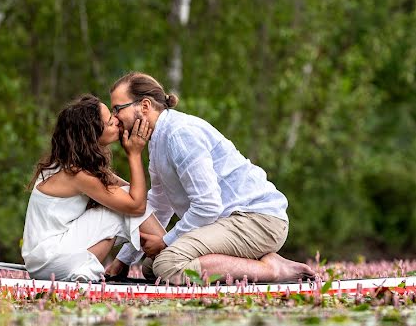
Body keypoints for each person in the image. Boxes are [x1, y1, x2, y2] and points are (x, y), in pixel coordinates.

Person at [104, 72, 315, 284]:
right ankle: (258, 261)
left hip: (257, 220)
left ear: (145, 106)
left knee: (167, 265)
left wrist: (166, 241)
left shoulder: (179, 134)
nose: (114, 118)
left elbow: (207, 206)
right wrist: (124, 259)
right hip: (229, 222)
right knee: (152, 267)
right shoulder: (159, 140)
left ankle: (271, 269)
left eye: (117, 109)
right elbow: (159, 205)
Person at [22, 94, 166, 282]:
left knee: (121, 203)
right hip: (51, 258)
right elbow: (136, 205)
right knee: (123, 207)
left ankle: (170, 253)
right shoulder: (76, 174)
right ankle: (175, 256)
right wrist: (134, 154)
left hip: (46, 260)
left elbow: (129, 191)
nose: (116, 120)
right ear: (92, 136)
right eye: (109, 122)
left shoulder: (72, 165)